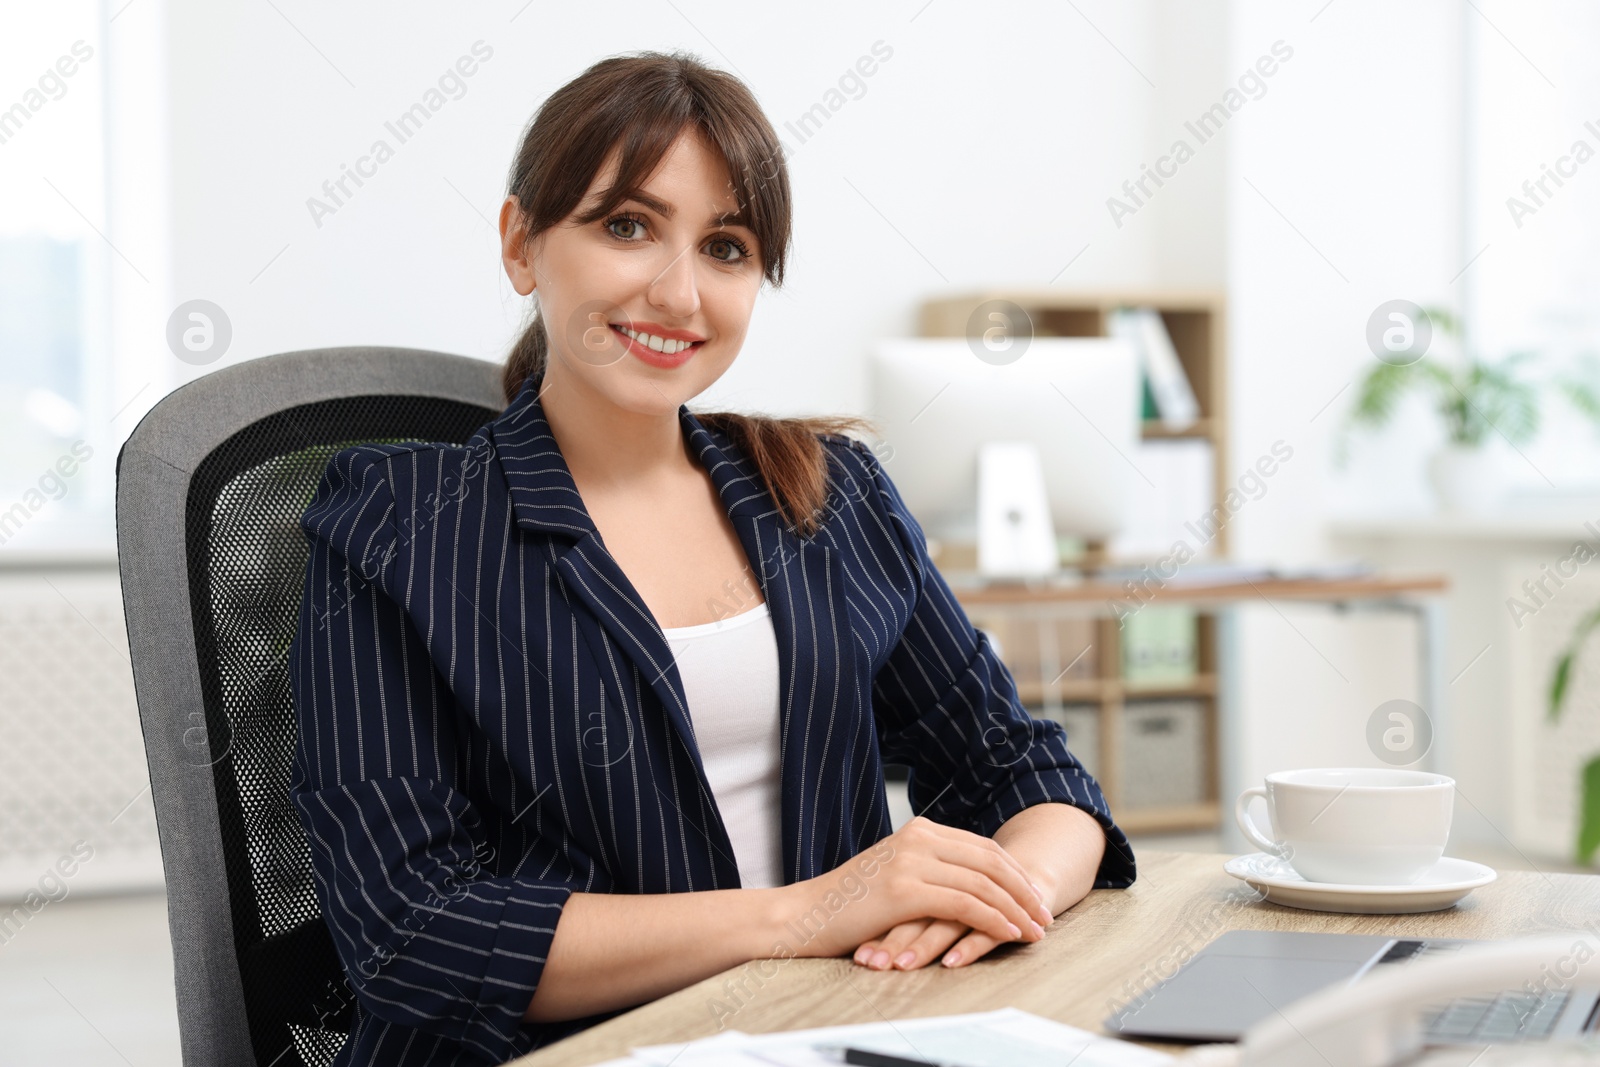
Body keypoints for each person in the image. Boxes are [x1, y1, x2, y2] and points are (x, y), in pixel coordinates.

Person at [288, 48, 1135, 1067]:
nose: (680, 293)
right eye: (627, 226)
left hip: (823, 1031)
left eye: (726, 247)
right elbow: (414, 931)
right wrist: (810, 911)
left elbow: (1024, 771)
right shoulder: (399, 521)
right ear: (522, 244)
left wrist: (1008, 893)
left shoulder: (828, 491)